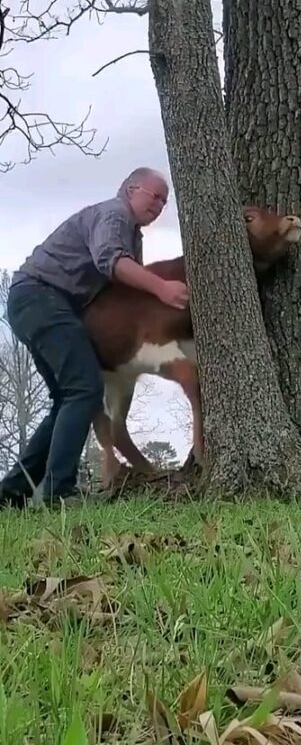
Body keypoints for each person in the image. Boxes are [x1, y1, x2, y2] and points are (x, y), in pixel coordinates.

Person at [0, 167, 188, 509]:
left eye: (165, 199)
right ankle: (59, 492)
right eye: (154, 195)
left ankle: (12, 493)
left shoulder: (131, 233)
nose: (160, 204)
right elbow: (111, 261)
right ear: (131, 190)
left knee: (67, 398)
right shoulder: (114, 214)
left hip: (36, 303)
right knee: (84, 388)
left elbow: (121, 292)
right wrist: (162, 287)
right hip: (42, 297)